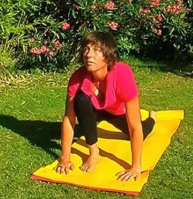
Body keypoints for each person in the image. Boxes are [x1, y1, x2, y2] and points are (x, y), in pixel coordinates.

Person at [54, 31, 156, 181]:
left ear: (108, 56)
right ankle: (94, 152)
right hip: (94, 110)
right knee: (81, 99)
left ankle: (152, 119)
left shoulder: (122, 74)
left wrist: (136, 167)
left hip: (116, 112)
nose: (89, 55)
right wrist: (65, 157)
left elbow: (134, 126)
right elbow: (69, 119)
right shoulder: (77, 77)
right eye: (86, 49)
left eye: (96, 50)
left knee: (143, 130)